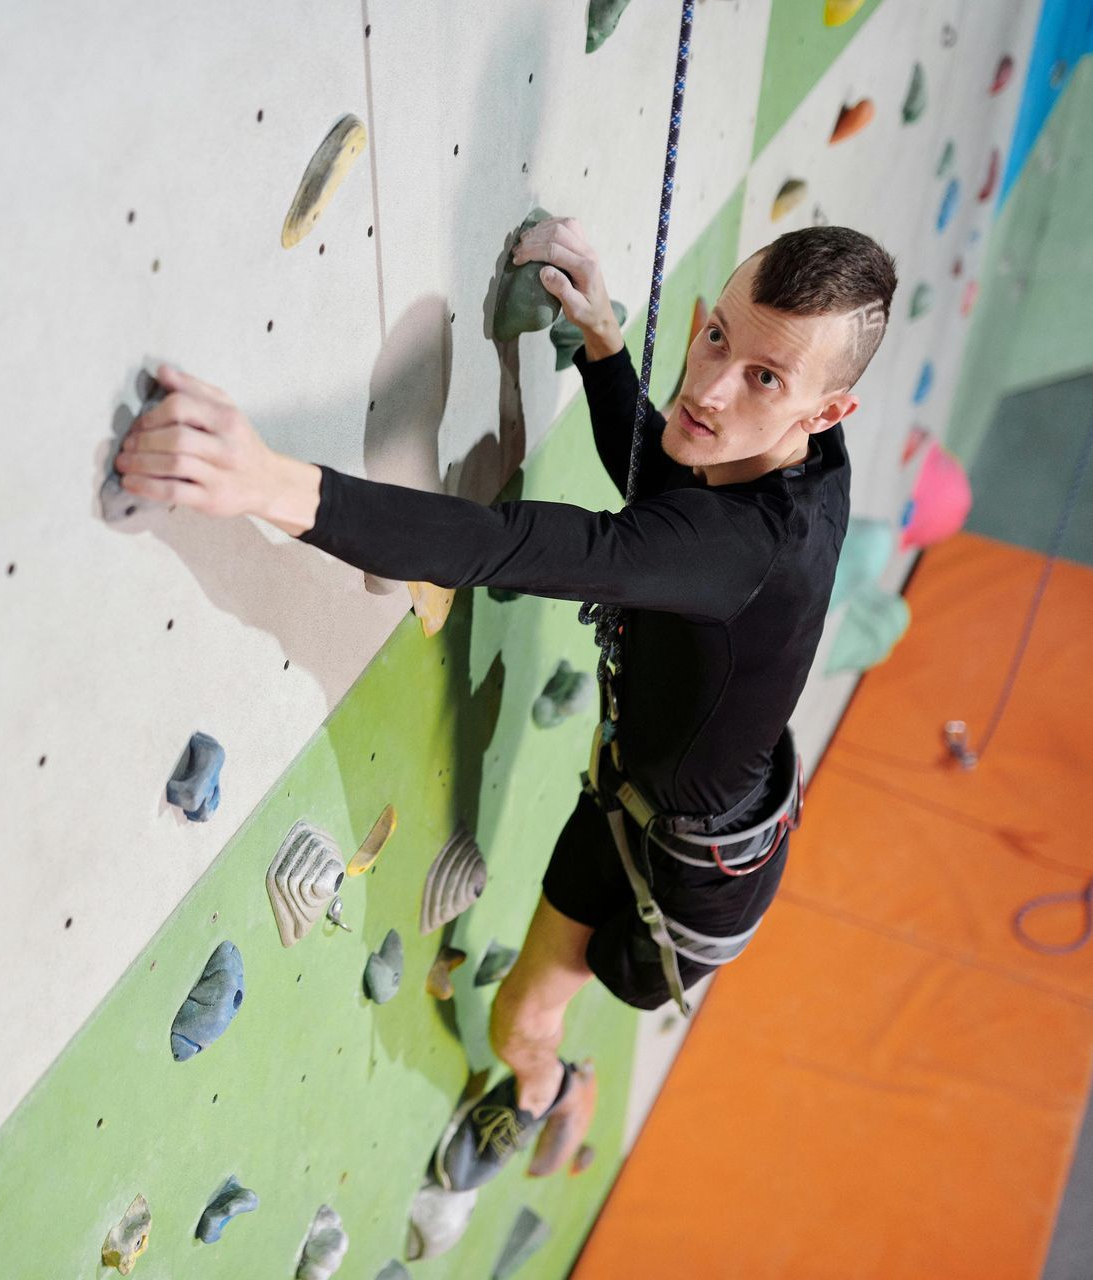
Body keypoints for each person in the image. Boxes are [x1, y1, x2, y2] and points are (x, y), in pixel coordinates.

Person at [114, 217, 897, 1184]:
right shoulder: (793, 459)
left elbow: (507, 544)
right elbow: (668, 497)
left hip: (694, 881)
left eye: (765, 379)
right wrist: (606, 346)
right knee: (523, 1000)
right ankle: (546, 1080)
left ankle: (545, 1090)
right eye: (717, 335)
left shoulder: (744, 551)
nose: (710, 385)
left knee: (519, 1020)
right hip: (649, 791)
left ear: (828, 413)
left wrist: (270, 482)